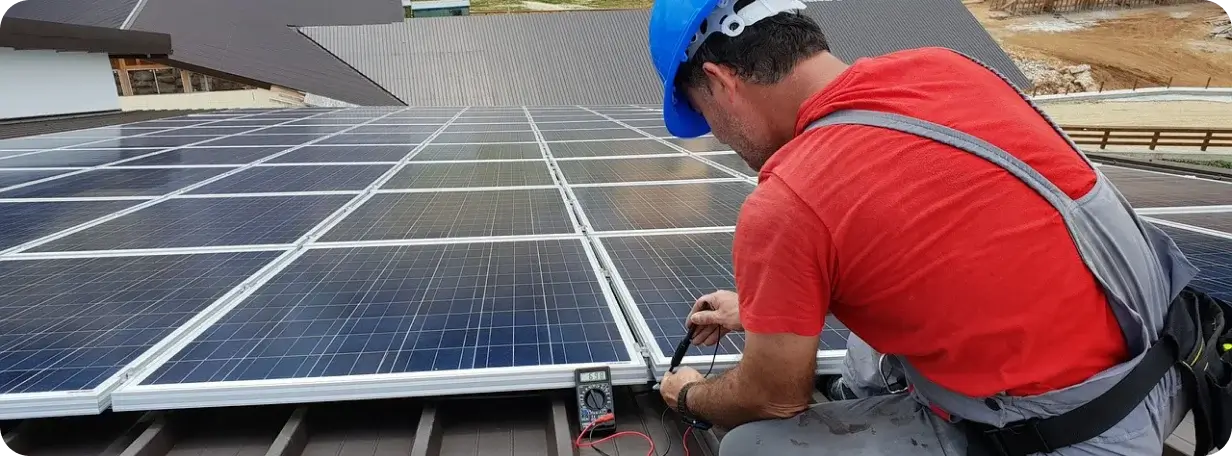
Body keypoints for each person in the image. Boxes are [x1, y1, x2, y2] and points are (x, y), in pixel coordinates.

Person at [647, 0, 1202, 454]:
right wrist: (761, 311)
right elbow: (941, 247)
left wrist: (691, 395)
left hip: (1072, 433)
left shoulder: (789, 198)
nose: (715, 135)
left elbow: (772, 400)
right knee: (867, 348)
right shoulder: (947, 67)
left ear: (720, 82)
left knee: (751, 446)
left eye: (704, 115)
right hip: (1168, 370)